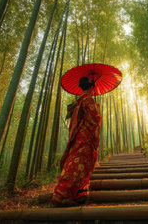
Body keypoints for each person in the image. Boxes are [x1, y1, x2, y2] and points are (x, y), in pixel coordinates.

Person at [51, 77, 101, 207]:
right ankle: (63, 195)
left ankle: (76, 193)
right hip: (86, 137)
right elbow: (94, 121)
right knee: (80, 164)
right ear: (91, 87)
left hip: (78, 137)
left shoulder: (78, 101)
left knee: (74, 162)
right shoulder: (88, 100)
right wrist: (97, 110)